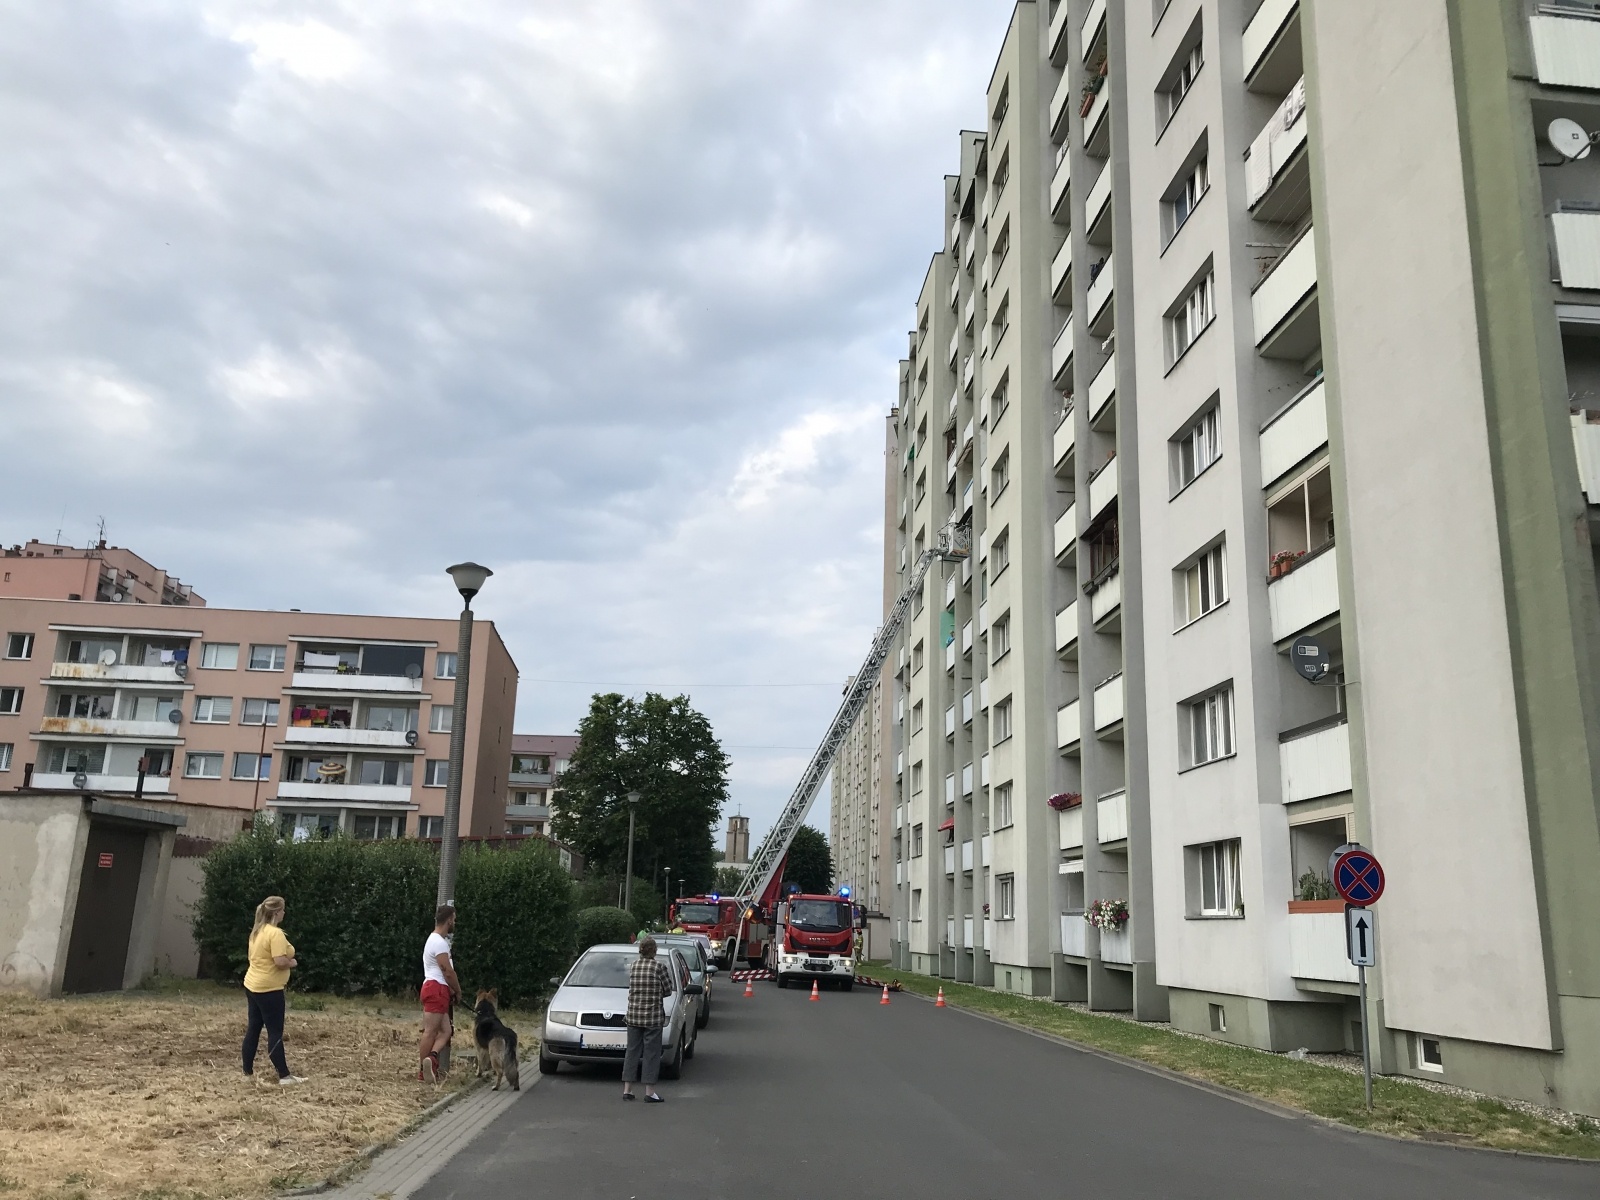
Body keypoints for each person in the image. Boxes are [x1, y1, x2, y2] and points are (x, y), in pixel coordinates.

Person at [242, 895, 307, 1086]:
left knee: (253, 1029)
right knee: (275, 1032)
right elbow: (279, 961)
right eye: (283, 909)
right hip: (270, 989)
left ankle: (247, 1072)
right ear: (277, 912)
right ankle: (284, 1076)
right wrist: (292, 963)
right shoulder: (275, 934)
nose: (285, 913)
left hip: (253, 985)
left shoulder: (257, 931)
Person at [621, 937, 672, 1103]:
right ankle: (649, 1092)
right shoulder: (659, 967)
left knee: (632, 1051)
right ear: (654, 951)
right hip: (652, 1017)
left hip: (633, 1015)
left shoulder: (634, 966)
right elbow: (668, 990)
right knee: (651, 1053)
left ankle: (627, 1090)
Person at [419, 905, 461, 1083]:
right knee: (430, 1032)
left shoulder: (435, 940)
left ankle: (432, 1058)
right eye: (455, 919)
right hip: (436, 989)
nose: (455, 922)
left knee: (446, 1031)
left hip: (438, 988)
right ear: (449, 919)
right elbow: (447, 971)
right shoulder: (439, 942)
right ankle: (423, 1071)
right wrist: (458, 990)